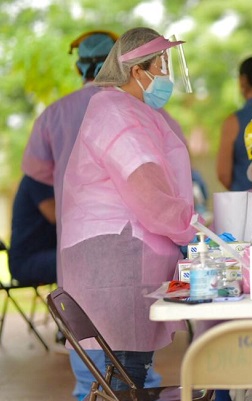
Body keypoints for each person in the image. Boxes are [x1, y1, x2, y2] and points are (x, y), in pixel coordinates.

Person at [20, 30, 163, 400]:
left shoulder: (53, 115)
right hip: (134, 254)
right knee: (136, 370)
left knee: (92, 375)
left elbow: (35, 178)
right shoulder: (138, 110)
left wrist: (69, 222)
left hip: (79, 255)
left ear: (78, 65)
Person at [59, 27, 199, 390]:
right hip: (116, 260)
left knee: (125, 375)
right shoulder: (116, 112)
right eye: (161, 65)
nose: (165, 75)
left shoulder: (127, 110)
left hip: (120, 258)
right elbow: (149, 194)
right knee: (127, 376)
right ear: (138, 71)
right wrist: (194, 231)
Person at [217, 56, 252, 191]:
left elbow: (223, 174)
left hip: (250, 204)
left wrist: (245, 193)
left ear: (242, 81)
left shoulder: (234, 122)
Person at [8, 176, 56, 286]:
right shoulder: (36, 179)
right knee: (78, 261)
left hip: (47, 254)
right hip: (26, 260)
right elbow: (54, 215)